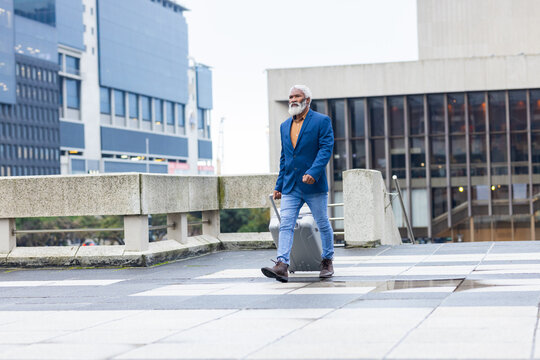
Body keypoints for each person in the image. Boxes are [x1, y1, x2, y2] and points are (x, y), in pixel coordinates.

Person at [261, 85, 335, 283]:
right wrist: (278, 185)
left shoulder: (321, 121)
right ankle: (282, 264)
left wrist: (314, 171)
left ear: (307, 100)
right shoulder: (284, 126)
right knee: (285, 224)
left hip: (313, 185)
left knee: (322, 223)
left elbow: (326, 149)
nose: (293, 99)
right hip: (291, 186)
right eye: (291, 96)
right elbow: (285, 158)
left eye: (297, 96)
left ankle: (327, 260)